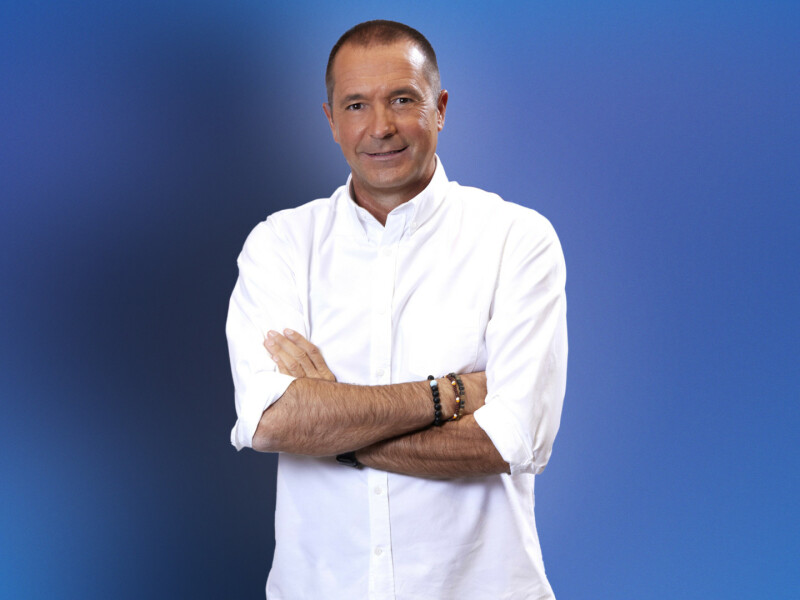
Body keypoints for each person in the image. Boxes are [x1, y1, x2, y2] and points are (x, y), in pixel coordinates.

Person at [227, 19, 568, 600]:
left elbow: (511, 441)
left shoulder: (517, 239)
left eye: (403, 100)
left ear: (440, 109)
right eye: (356, 104)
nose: (380, 126)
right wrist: (447, 395)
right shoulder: (280, 244)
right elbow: (272, 420)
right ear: (331, 120)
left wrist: (331, 426)